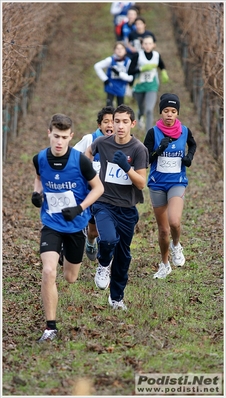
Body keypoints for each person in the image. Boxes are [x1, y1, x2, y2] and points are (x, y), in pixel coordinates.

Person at [31, 113, 104, 341]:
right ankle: (50, 327)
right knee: (48, 271)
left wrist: (80, 208)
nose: (59, 142)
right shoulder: (40, 158)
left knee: (71, 278)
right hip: (51, 224)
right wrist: (37, 193)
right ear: (49, 135)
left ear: (71, 136)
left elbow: (98, 188)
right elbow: (39, 177)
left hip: (76, 225)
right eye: (55, 136)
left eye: (64, 137)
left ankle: (64, 256)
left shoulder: (80, 161)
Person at [85, 104, 149, 310]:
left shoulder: (139, 149)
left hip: (127, 209)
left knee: (123, 255)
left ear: (132, 124)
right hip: (104, 203)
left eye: (124, 122)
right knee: (109, 239)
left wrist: (127, 167)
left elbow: (141, 183)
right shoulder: (102, 143)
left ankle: (116, 298)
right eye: (116, 121)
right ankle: (103, 264)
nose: (119, 126)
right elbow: (88, 152)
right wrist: (89, 175)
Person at [143, 94, 197, 279]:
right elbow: (145, 159)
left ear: (177, 113)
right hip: (157, 184)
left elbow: (192, 144)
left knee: (174, 221)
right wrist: (158, 150)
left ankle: (176, 245)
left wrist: (189, 158)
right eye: (166, 111)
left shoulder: (185, 131)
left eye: (173, 111)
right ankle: (164, 264)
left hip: (177, 182)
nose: (169, 114)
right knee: (163, 229)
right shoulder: (153, 133)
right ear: (161, 112)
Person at [73, 106, 115, 261]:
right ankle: (90, 241)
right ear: (99, 125)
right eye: (106, 122)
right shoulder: (89, 139)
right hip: (91, 193)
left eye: (113, 122)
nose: (110, 125)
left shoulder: (122, 143)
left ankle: (107, 260)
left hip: (111, 194)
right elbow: (73, 157)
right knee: (94, 231)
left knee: (110, 230)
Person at [128, 35, 169, 131]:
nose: (147, 45)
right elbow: (130, 71)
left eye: (150, 43)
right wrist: (141, 69)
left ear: (154, 45)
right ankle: (140, 115)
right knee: (141, 108)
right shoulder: (138, 55)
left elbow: (162, 65)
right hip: (139, 86)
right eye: (145, 43)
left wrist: (164, 72)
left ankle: (148, 133)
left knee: (149, 110)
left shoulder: (156, 55)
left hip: (152, 86)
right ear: (142, 45)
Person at [94, 42, 134, 108]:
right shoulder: (110, 60)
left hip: (121, 87)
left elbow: (131, 77)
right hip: (111, 86)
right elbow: (97, 66)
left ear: (125, 51)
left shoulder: (128, 62)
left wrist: (119, 74)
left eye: (122, 48)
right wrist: (105, 79)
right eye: (117, 48)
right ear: (114, 50)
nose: (119, 50)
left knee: (121, 108)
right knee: (109, 108)